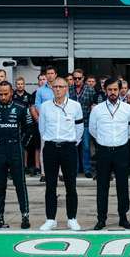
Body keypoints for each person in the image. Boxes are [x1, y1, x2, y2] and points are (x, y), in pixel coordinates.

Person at [89, 78, 130, 230]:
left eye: (115, 89)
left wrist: (121, 139)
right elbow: (92, 130)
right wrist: (104, 140)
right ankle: (101, 219)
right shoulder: (97, 109)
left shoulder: (127, 109)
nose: (113, 92)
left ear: (120, 90)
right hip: (103, 151)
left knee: (123, 186)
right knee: (102, 186)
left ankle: (123, 217)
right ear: (105, 90)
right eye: (110, 89)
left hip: (121, 150)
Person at [38, 77, 84, 231]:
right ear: (52, 88)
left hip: (68, 148)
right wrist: (51, 141)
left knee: (71, 185)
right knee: (50, 186)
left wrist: (71, 143)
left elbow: (79, 129)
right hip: (50, 148)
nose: (57, 89)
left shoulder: (75, 106)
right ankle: (50, 219)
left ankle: (72, 218)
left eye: (61, 86)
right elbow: (42, 128)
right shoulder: (45, 107)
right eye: (55, 86)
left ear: (66, 88)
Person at [0, 81, 33, 230]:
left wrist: (21, 144)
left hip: (15, 149)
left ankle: (25, 215)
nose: (3, 96)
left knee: (20, 184)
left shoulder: (21, 108)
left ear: (11, 92)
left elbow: (29, 129)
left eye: (6, 93)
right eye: (1, 94)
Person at [69, 68, 95, 178]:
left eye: (79, 78)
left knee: (85, 147)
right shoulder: (69, 89)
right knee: (73, 147)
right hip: (72, 123)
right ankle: (74, 169)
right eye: (75, 78)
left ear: (83, 78)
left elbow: (93, 105)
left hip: (85, 122)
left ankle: (87, 170)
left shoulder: (90, 90)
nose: (77, 80)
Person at [33, 66, 57, 182]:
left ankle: (60, 172)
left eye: (52, 73)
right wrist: (45, 115)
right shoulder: (40, 90)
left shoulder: (60, 87)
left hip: (58, 123)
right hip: (45, 122)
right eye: (48, 73)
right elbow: (37, 105)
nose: (50, 75)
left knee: (59, 147)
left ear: (55, 75)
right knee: (44, 148)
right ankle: (43, 173)